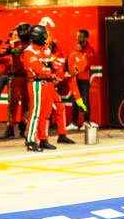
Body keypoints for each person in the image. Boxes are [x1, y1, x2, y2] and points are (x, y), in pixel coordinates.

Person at [21, 24, 59, 152]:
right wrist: (49, 68)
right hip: (36, 83)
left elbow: (55, 63)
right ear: (37, 36)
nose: (46, 37)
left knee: (46, 113)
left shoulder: (46, 49)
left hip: (48, 83)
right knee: (35, 112)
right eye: (44, 35)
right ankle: (31, 140)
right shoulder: (29, 51)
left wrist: (50, 68)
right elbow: (39, 69)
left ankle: (43, 139)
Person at [67, 29, 94, 129]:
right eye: (78, 36)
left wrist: (79, 53)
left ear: (86, 38)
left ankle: (86, 121)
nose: (78, 38)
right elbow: (70, 60)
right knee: (75, 99)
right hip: (74, 77)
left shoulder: (89, 50)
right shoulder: (75, 48)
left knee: (84, 99)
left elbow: (86, 63)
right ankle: (74, 123)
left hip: (84, 78)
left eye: (81, 36)